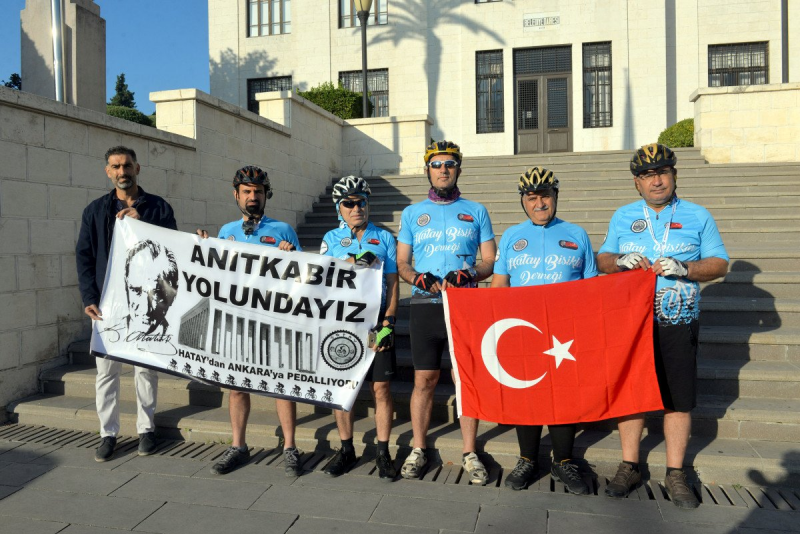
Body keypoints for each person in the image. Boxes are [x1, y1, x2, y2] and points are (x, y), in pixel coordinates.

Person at [597, 143, 729, 509]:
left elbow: (720, 264)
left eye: (662, 172)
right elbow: (603, 259)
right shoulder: (623, 216)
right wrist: (619, 260)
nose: (655, 180)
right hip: (632, 323)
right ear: (636, 183)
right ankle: (630, 464)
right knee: (631, 394)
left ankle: (675, 472)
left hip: (678, 320)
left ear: (674, 175)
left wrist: (686, 269)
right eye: (646, 175)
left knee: (678, 399)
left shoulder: (698, 215)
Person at [396, 141, 497, 484]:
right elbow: (402, 263)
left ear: (458, 169)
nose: (443, 169)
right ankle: (419, 448)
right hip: (425, 307)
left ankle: (470, 451)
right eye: (436, 164)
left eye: (449, 164)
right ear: (427, 170)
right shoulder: (412, 213)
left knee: (465, 380)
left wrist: (471, 273)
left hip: (464, 307)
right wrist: (416, 277)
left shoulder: (477, 210)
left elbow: (489, 261)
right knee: (424, 380)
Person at [491, 167, 596, 494]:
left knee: (565, 395)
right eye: (532, 198)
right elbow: (499, 285)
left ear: (555, 197)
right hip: (524, 330)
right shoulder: (510, 236)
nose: (539, 204)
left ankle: (563, 461)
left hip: (566, 332)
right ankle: (527, 458)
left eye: (545, 196)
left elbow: (591, 287)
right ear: (523, 201)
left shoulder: (577, 234)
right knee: (528, 394)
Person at [196, 165, 303, 477]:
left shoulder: (283, 229)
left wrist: (291, 255)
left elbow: (304, 278)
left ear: (265, 194)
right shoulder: (226, 231)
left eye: (258, 191)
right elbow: (214, 274)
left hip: (274, 320)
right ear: (236, 195)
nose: (252, 196)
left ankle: (290, 447)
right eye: (246, 191)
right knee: (237, 386)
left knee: (282, 386)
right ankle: (238, 445)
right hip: (237, 321)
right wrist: (202, 247)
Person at [76, 146, 178, 462]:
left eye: (128, 165)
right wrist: (89, 298)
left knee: (145, 369)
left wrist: (143, 221)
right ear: (108, 171)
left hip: (147, 302)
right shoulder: (95, 211)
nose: (123, 171)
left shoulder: (158, 207)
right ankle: (108, 434)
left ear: (138, 169)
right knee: (106, 372)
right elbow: (84, 256)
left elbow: (174, 247)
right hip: (107, 305)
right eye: (116, 166)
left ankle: (146, 430)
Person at [319, 176, 399, 480]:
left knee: (381, 389)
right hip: (341, 326)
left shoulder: (385, 237)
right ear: (339, 208)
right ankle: (346, 449)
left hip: (376, 323)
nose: (357, 208)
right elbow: (321, 279)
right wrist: (350, 260)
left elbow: (393, 283)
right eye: (349, 203)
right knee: (343, 390)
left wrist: (389, 322)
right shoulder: (330, 237)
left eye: (361, 202)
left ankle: (382, 452)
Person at [124, 239, 179, 336]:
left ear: (173, 295)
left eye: (156, 294)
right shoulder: (106, 335)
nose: (146, 310)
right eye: (136, 291)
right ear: (126, 285)